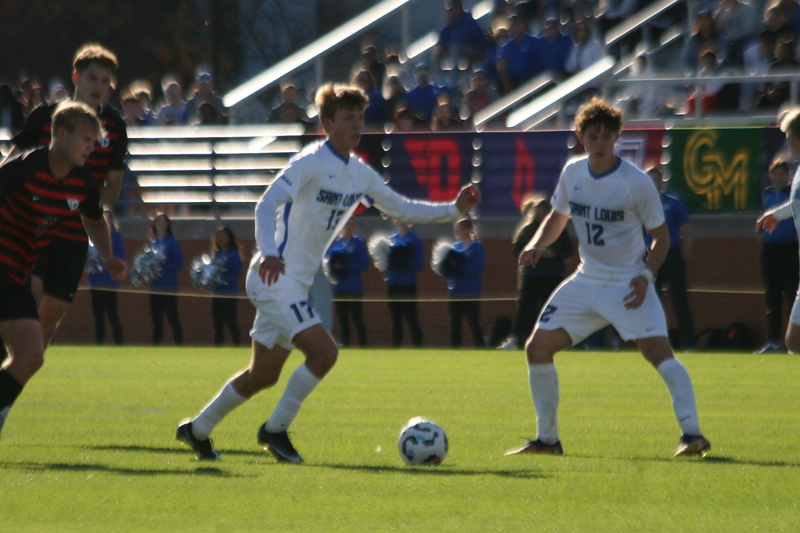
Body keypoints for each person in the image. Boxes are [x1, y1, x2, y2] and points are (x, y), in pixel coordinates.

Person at [176, 82, 480, 462]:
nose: (356, 125)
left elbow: (402, 209)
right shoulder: (310, 161)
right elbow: (266, 204)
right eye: (347, 118)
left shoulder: (360, 174)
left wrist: (454, 208)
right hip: (273, 277)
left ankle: (198, 430)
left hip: (295, 285)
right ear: (326, 122)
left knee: (263, 375)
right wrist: (270, 253)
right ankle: (275, 431)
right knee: (325, 353)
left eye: (360, 118)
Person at [506, 97, 710, 458]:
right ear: (579, 136)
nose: (599, 144)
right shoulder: (572, 172)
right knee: (537, 348)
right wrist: (537, 245)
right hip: (586, 280)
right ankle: (547, 441)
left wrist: (646, 276)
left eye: (605, 137)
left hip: (628, 282)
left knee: (659, 354)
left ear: (617, 137)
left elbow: (662, 238)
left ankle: (693, 435)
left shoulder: (634, 183)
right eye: (591, 136)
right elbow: (557, 219)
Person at [0, 102, 126, 437]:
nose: (91, 147)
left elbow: (95, 220)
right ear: (59, 134)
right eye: (85, 139)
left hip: (16, 279)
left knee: (31, 357)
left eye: (94, 141)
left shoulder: (83, 183)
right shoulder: (24, 168)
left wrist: (109, 257)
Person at [3, 43, 128, 350]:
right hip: (34, 227)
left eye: (105, 82)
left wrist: (83, 201)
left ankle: (13, 381)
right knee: (24, 301)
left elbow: (113, 186)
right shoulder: (45, 116)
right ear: (76, 77)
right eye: (92, 78)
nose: (98, 86)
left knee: (48, 321)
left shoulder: (115, 126)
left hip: (74, 232)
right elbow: (10, 164)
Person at [499, 197, 573, 350]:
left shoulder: (557, 229)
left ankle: (555, 341)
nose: (540, 217)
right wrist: (530, 252)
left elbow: (569, 251)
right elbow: (517, 249)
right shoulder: (527, 230)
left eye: (543, 214)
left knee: (550, 308)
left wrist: (553, 254)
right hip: (531, 274)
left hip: (552, 274)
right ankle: (515, 339)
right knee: (525, 307)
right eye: (538, 214)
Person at [647, 167, 695, 351]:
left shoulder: (673, 203)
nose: (653, 183)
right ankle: (658, 343)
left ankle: (689, 343)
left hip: (672, 255)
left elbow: (685, 231)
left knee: (680, 301)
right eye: (649, 180)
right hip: (651, 257)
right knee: (653, 304)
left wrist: (683, 257)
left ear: (661, 181)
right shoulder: (642, 204)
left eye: (656, 180)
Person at [756, 159, 798, 353]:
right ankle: (773, 341)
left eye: (783, 173)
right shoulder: (767, 195)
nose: (779, 177)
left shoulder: (794, 190)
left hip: (789, 248)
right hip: (770, 250)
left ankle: (792, 341)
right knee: (771, 296)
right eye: (776, 173)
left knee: (792, 294)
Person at [441, 218, 485, 347]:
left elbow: (477, 269)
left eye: (458, 229)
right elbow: (448, 270)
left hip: (470, 292)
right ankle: (455, 350)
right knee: (455, 324)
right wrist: (447, 270)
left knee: (473, 323)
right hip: (455, 291)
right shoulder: (455, 247)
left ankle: (480, 348)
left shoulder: (477, 248)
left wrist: (459, 269)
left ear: (466, 230)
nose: (456, 232)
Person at [326, 217, 369, 347]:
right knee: (342, 320)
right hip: (339, 286)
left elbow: (364, 264)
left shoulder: (359, 243)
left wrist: (346, 265)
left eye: (352, 224)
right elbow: (329, 263)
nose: (349, 227)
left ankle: (363, 345)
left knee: (356, 318)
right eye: (346, 224)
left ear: (355, 227)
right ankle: (346, 345)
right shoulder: (336, 244)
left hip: (354, 287)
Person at [385, 220, 426, 348]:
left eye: (405, 219)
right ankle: (396, 350)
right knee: (395, 321)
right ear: (395, 221)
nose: (402, 222)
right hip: (393, 284)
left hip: (408, 285)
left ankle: (418, 349)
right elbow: (385, 263)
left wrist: (404, 260)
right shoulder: (390, 240)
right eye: (399, 219)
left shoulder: (415, 240)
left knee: (411, 319)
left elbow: (419, 264)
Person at [88, 210, 125, 345]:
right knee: (97, 317)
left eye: (108, 219)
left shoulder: (115, 236)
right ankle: (98, 344)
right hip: (94, 281)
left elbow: (119, 257)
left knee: (112, 314)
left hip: (109, 281)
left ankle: (119, 344)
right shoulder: (91, 237)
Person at [149, 214, 184, 345]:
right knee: (156, 320)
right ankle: (155, 346)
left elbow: (179, 264)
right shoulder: (152, 243)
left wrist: (162, 266)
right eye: (158, 220)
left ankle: (179, 345)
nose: (161, 223)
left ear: (168, 224)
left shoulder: (172, 242)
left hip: (168, 286)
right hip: (155, 286)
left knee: (172, 317)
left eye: (164, 221)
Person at [211, 227, 243, 346]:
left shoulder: (233, 254)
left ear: (229, 237)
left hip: (229, 293)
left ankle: (237, 347)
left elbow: (236, 273)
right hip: (216, 293)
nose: (221, 238)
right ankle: (218, 348)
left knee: (230, 322)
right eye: (219, 235)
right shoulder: (217, 254)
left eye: (224, 235)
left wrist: (221, 279)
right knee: (217, 324)